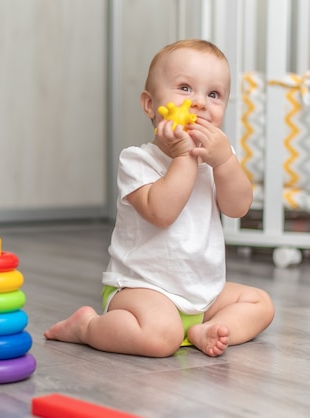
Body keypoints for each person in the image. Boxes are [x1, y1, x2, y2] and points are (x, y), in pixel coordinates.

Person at [44, 39, 274, 358]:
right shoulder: (137, 161)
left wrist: (225, 162)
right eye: (185, 88)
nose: (199, 103)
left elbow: (237, 208)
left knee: (260, 303)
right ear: (150, 105)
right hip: (142, 288)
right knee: (160, 339)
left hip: (204, 293)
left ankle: (205, 330)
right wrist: (183, 157)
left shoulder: (218, 160)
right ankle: (86, 327)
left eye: (214, 94)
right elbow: (162, 212)